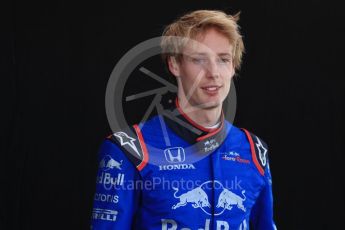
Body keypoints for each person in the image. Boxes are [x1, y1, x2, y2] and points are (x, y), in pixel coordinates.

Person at [91, 10, 276, 230]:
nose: (213, 73)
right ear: (175, 65)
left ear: (233, 67)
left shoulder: (254, 151)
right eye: (199, 60)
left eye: (223, 59)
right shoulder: (129, 150)